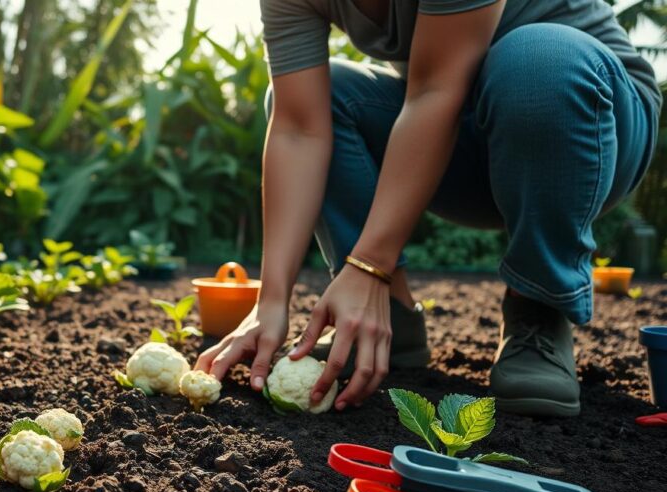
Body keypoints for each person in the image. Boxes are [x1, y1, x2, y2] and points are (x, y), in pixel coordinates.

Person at [194, 0, 661, 417]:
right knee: (328, 95)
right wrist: (271, 301)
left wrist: (368, 263)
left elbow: (435, 90)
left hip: (588, 124)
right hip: (461, 133)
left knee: (537, 60)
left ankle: (538, 306)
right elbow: (299, 128)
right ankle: (386, 317)